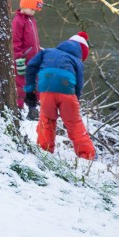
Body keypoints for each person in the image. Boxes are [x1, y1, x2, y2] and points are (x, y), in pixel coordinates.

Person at [23, 32, 97, 160]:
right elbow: (79, 84)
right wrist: (76, 100)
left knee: (46, 120)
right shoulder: (77, 62)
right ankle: (87, 156)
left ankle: (44, 151)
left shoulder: (47, 52)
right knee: (74, 123)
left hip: (46, 89)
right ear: (81, 52)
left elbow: (31, 66)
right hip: (67, 92)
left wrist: (29, 90)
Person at [12, 0, 43, 120]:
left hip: (34, 59)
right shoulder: (18, 21)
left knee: (34, 83)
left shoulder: (32, 20)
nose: (33, 12)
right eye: (32, 9)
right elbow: (15, 42)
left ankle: (32, 108)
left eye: (35, 10)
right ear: (25, 5)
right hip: (23, 60)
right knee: (21, 84)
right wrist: (18, 58)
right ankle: (18, 109)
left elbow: (34, 41)